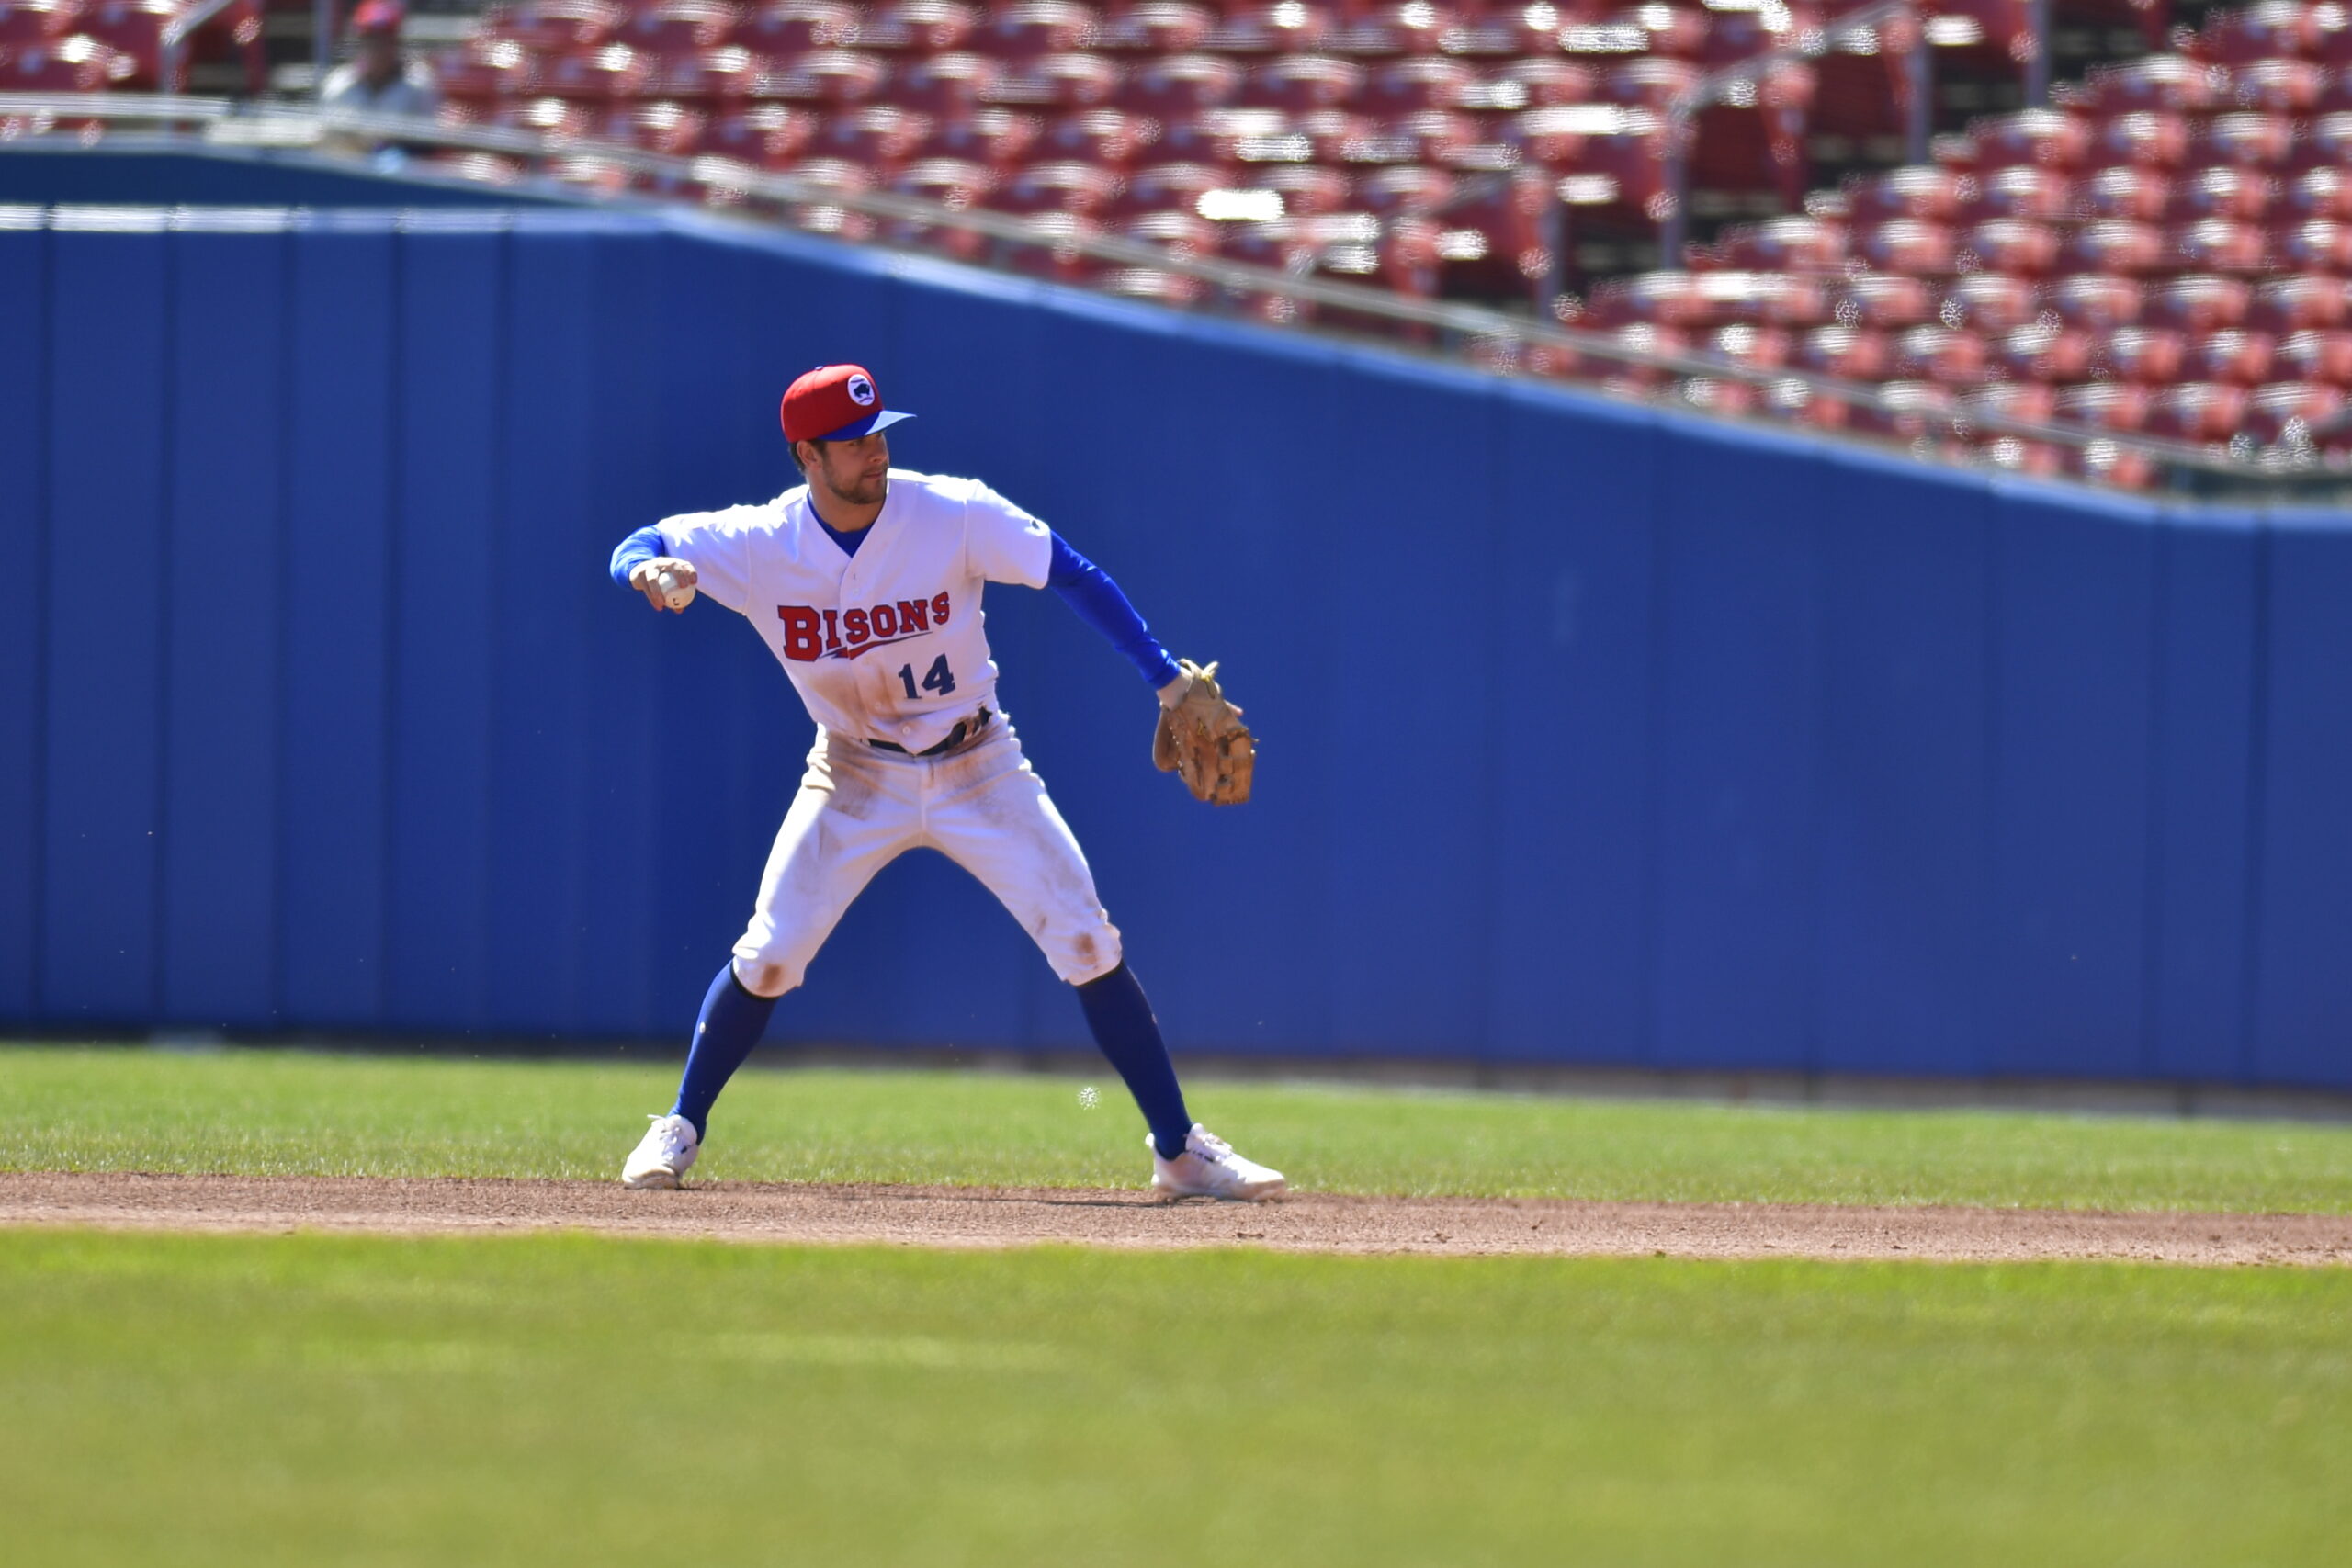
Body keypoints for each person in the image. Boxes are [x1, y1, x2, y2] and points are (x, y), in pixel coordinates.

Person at [607, 364, 1286, 1202]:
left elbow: (1070, 570)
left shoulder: (952, 510)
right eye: (853, 442)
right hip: (852, 771)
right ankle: (677, 1125)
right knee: (772, 952)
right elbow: (639, 544)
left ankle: (1180, 1150)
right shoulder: (758, 543)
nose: (876, 452)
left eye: (880, 432)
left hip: (980, 764)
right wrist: (646, 575)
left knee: (1085, 939)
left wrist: (1165, 680)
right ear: (805, 456)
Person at [319, 0, 439, 129]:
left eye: (384, 40)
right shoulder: (339, 84)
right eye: (370, 39)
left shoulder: (419, 84)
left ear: (396, 43)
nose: (376, 48)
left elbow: (430, 140)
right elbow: (326, 139)